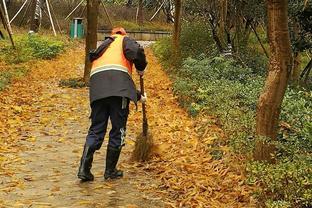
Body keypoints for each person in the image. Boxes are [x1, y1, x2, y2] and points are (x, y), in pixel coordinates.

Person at [77, 27, 147, 181]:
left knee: (96, 128)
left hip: (97, 89)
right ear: (123, 34)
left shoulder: (103, 46)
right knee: (118, 128)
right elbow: (136, 52)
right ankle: (110, 171)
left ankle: (84, 169)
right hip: (117, 91)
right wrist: (141, 68)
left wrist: (137, 95)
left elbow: (112, 73)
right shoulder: (124, 40)